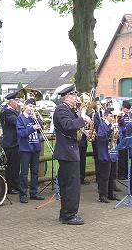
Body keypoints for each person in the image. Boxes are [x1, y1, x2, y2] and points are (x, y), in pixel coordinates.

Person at [53, 84, 91, 225]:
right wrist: (83, 119)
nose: (76, 98)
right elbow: (68, 125)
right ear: (67, 96)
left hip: (69, 150)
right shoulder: (61, 109)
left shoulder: (69, 109)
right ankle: (69, 215)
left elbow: (72, 127)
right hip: (67, 152)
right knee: (71, 185)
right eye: (74, 96)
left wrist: (84, 128)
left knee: (69, 184)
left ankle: (66, 213)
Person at [16, 98, 45, 203]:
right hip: (25, 149)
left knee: (35, 172)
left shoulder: (35, 117)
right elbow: (21, 134)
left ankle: (34, 192)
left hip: (35, 148)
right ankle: (23, 194)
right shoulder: (20, 118)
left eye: (33, 107)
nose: (32, 108)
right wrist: (32, 128)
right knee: (24, 173)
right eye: (30, 106)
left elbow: (42, 128)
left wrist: (39, 120)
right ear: (25, 106)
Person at [96, 109, 121, 203]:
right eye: (111, 116)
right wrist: (110, 131)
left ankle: (111, 194)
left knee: (112, 176)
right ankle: (102, 195)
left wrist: (118, 132)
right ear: (105, 116)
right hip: (104, 154)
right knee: (104, 176)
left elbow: (119, 138)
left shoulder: (113, 125)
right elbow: (101, 137)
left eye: (113, 116)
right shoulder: (102, 125)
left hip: (113, 153)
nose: (112, 118)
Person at [0, 91, 21, 194]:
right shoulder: (7, 111)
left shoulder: (13, 111)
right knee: (12, 166)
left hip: (15, 142)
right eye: (17, 100)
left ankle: (15, 185)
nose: (18, 102)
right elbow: (17, 122)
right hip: (11, 143)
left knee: (16, 166)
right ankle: (11, 186)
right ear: (11, 101)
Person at [117, 100, 132, 179]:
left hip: (129, 139)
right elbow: (119, 127)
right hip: (122, 139)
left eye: (128, 109)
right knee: (121, 157)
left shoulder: (130, 116)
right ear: (123, 108)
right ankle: (121, 174)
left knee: (127, 157)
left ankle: (127, 173)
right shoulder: (120, 115)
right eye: (126, 108)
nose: (127, 110)